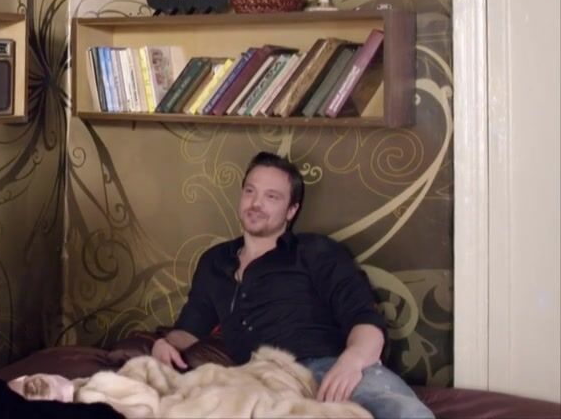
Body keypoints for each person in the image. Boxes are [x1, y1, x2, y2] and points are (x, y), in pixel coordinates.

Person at [150, 152, 434, 419]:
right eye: (250, 191)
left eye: (271, 196)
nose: (256, 203)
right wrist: (164, 344)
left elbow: (365, 319)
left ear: (291, 210)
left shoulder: (315, 251)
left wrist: (352, 361)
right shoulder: (215, 261)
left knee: (403, 411)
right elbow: (189, 330)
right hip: (260, 382)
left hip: (327, 368)